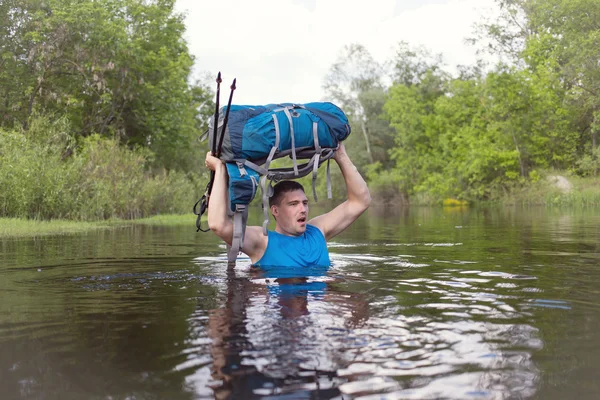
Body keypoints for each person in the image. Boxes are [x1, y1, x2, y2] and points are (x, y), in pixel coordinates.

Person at [205, 143, 371, 267]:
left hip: (315, 309)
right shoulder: (261, 241)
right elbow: (218, 225)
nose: (303, 209)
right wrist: (220, 169)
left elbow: (360, 201)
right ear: (275, 210)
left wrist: (340, 156)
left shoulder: (319, 230)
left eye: (305, 203)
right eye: (293, 204)